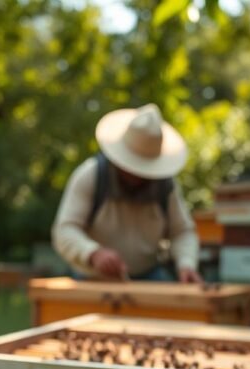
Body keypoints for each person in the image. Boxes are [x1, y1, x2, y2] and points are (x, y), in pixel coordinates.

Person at [52, 104, 202, 283]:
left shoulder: (166, 186)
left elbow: (182, 232)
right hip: (92, 276)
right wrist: (93, 253)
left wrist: (186, 264)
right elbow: (64, 230)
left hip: (149, 275)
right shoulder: (90, 176)